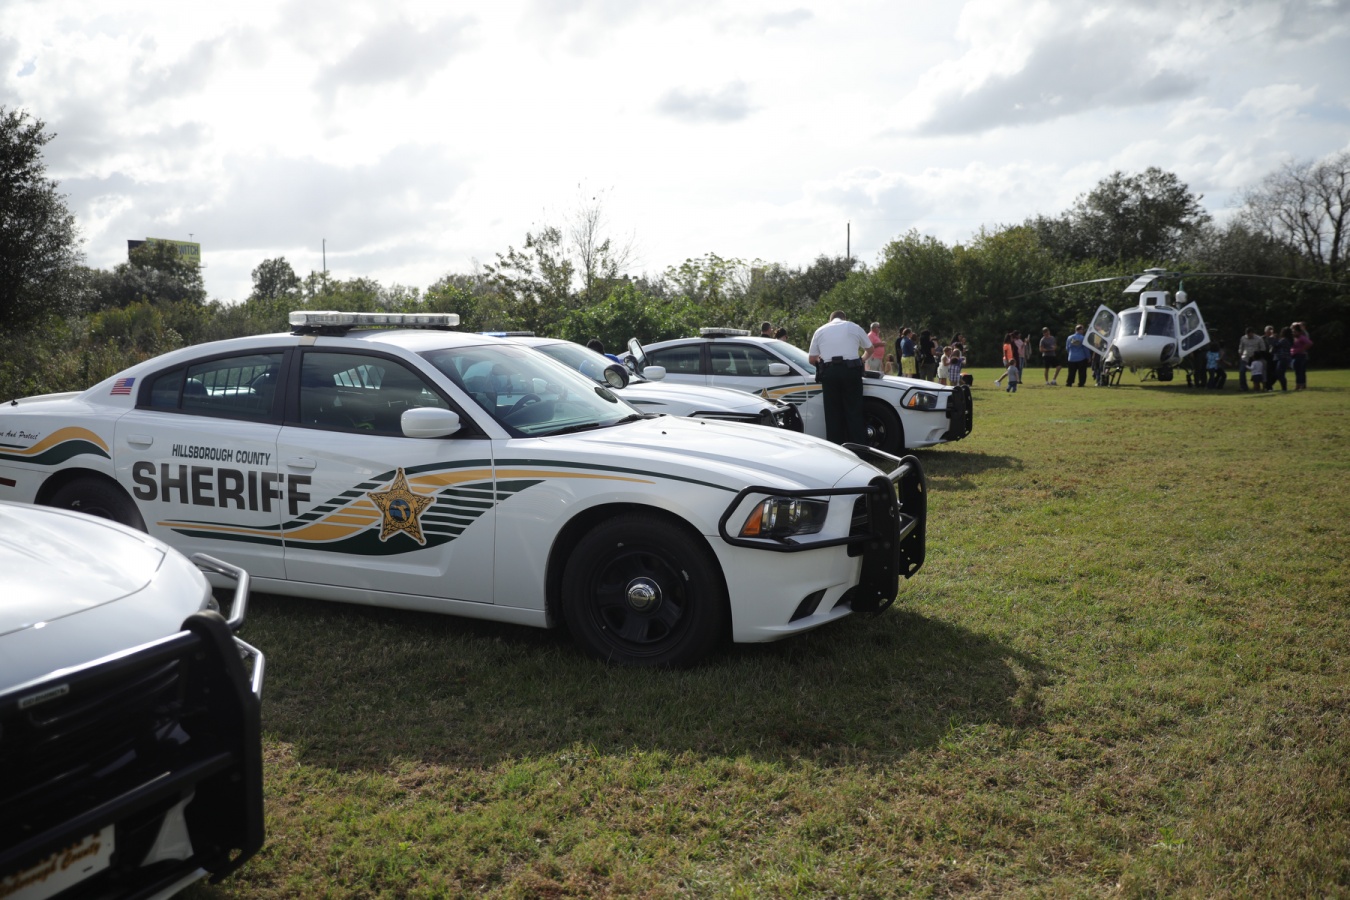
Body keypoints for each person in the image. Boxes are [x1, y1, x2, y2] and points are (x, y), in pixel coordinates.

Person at [808, 311, 870, 444]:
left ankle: (837, 448)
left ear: (830, 320)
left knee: (832, 415)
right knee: (854, 412)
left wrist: (821, 361)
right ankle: (858, 449)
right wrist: (862, 360)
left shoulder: (820, 330)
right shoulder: (854, 327)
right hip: (851, 372)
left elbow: (812, 359)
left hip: (830, 373)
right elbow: (870, 349)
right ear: (844, 318)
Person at [1237, 326, 1264, 392]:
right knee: (1242, 371)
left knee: (1258, 372)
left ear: (1252, 333)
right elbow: (1241, 347)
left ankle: (1259, 386)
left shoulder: (1259, 339)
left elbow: (1263, 348)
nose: (1249, 336)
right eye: (1247, 334)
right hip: (1245, 357)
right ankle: (1243, 387)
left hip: (1255, 358)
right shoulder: (1243, 338)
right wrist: (1240, 354)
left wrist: (1258, 355)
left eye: (1250, 334)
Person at [1290, 322, 1313, 390]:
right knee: (1298, 371)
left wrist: (1302, 349)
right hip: (1294, 355)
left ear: (1299, 332)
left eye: (1295, 332)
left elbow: (1310, 343)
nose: (1293, 333)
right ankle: (1301, 385)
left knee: (1299, 371)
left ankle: (1299, 385)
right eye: (1293, 332)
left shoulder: (1301, 337)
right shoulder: (1295, 338)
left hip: (1300, 355)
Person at [1270, 327, 1292, 391]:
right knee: (1279, 373)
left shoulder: (1284, 340)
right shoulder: (1288, 340)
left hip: (1282, 358)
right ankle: (1271, 386)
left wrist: (1273, 338)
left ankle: (1284, 388)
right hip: (1285, 358)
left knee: (1279, 373)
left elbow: (1275, 344)